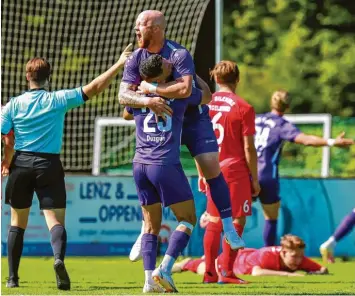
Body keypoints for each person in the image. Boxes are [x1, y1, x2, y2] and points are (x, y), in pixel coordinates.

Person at [1, 44, 132, 290]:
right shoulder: (57, 99)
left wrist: (7, 160)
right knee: (55, 220)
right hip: (49, 164)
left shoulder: (13, 105)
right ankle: (58, 259)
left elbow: (6, 137)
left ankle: (12, 279)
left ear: (27, 77)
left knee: (17, 223)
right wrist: (118, 64)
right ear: (48, 77)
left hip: (22, 162)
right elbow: (93, 88)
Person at [119, 10, 245, 262]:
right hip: (166, 116)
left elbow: (190, 90)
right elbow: (123, 98)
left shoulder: (178, 54)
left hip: (192, 119)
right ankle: (145, 231)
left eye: (139, 26)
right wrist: (149, 100)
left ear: (155, 28)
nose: (135, 30)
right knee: (153, 186)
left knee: (211, 167)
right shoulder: (136, 58)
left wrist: (151, 88)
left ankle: (229, 227)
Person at [120, 54, 211, 293]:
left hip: (140, 164)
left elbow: (126, 114)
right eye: (166, 63)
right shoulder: (180, 95)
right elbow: (208, 95)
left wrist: (145, 98)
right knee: (188, 219)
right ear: (160, 74)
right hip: (164, 164)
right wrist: (189, 72)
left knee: (150, 226)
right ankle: (166, 268)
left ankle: (149, 281)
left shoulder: (139, 97)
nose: (170, 62)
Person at [255, 90, 354, 247]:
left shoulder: (255, 119)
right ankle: (267, 256)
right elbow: (306, 140)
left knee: (234, 216)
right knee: (271, 217)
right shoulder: (281, 124)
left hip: (245, 173)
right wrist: (331, 141)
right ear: (287, 106)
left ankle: (223, 258)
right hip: (266, 175)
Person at [197, 61, 260, 284]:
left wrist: (201, 172)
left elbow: (198, 140)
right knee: (236, 220)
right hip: (234, 170)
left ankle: (209, 274)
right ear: (238, 79)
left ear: (215, 79)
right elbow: (249, 148)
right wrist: (255, 178)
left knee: (214, 220)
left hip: (210, 166)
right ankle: (227, 272)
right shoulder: (244, 107)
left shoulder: (204, 104)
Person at [173, 234, 328, 277]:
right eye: (294, 256)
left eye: (301, 257)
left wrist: (319, 271)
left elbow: (322, 269)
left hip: (247, 253)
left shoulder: (297, 258)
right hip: (236, 263)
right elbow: (256, 272)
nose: (299, 261)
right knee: (208, 270)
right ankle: (185, 264)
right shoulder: (268, 255)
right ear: (283, 252)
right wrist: (288, 275)